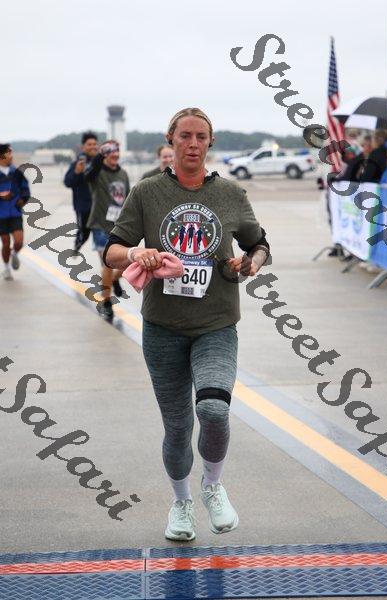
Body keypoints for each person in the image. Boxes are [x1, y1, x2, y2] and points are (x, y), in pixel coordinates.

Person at [104, 107, 270, 541]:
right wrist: (136, 253)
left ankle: (212, 486)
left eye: (201, 137)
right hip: (163, 328)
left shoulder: (231, 193)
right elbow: (112, 250)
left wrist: (249, 263)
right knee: (178, 429)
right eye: (185, 136)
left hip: (216, 324)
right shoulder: (147, 192)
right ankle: (181, 503)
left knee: (213, 410)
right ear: (171, 140)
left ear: (210, 143)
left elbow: (259, 245)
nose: (193, 144)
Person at [85, 140, 130, 320]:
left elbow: (128, 200)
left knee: (128, 262)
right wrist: (99, 154)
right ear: (104, 154)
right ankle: (106, 301)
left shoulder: (123, 174)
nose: (114, 154)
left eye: (117, 151)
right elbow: (88, 174)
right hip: (100, 225)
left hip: (119, 227)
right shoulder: (97, 173)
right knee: (108, 264)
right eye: (110, 151)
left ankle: (114, 280)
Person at [64, 132, 98, 253]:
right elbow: (67, 182)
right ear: (83, 147)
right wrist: (77, 173)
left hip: (99, 207)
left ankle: (104, 258)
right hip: (83, 207)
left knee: (102, 235)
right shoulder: (77, 164)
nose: (92, 146)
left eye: (94, 144)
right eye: (89, 144)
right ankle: (76, 248)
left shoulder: (100, 163)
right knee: (84, 234)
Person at [0, 144, 30, 280]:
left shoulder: (17, 172)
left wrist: (23, 199)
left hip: (15, 213)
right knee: (6, 243)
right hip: (1, 215)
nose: (11, 156)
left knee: (19, 242)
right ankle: (6, 268)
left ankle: (15, 254)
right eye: (9, 153)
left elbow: (25, 189)